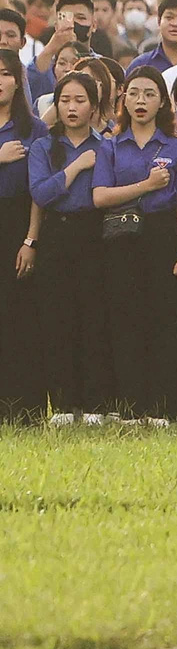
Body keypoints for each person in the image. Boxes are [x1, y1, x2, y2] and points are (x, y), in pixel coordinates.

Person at [92, 66, 177, 422]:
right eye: (134, 93)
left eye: (150, 94)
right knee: (125, 322)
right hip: (120, 239)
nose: (141, 101)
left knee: (165, 320)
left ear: (162, 101)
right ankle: (131, 406)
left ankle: (163, 406)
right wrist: (145, 186)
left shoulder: (176, 148)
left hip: (163, 235)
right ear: (123, 99)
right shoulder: (111, 146)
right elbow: (101, 196)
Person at [28, 71, 105, 423]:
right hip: (56, 235)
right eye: (65, 100)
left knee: (92, 318)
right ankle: (61, 404)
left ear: (94, 107)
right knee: (56, 320)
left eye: (80, 100)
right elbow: (41, 193)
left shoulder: (107, 146)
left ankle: (92, 404)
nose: (71, 108)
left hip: (96, 235)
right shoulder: (44, 147)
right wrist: (74, 168)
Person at [0, 50, 48, 420]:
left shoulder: (34, 128)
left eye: (5, 74)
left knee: (22, 318)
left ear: (18, 81)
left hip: (20, 224)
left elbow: (40, 190)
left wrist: (31, 240)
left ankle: (26, 409)